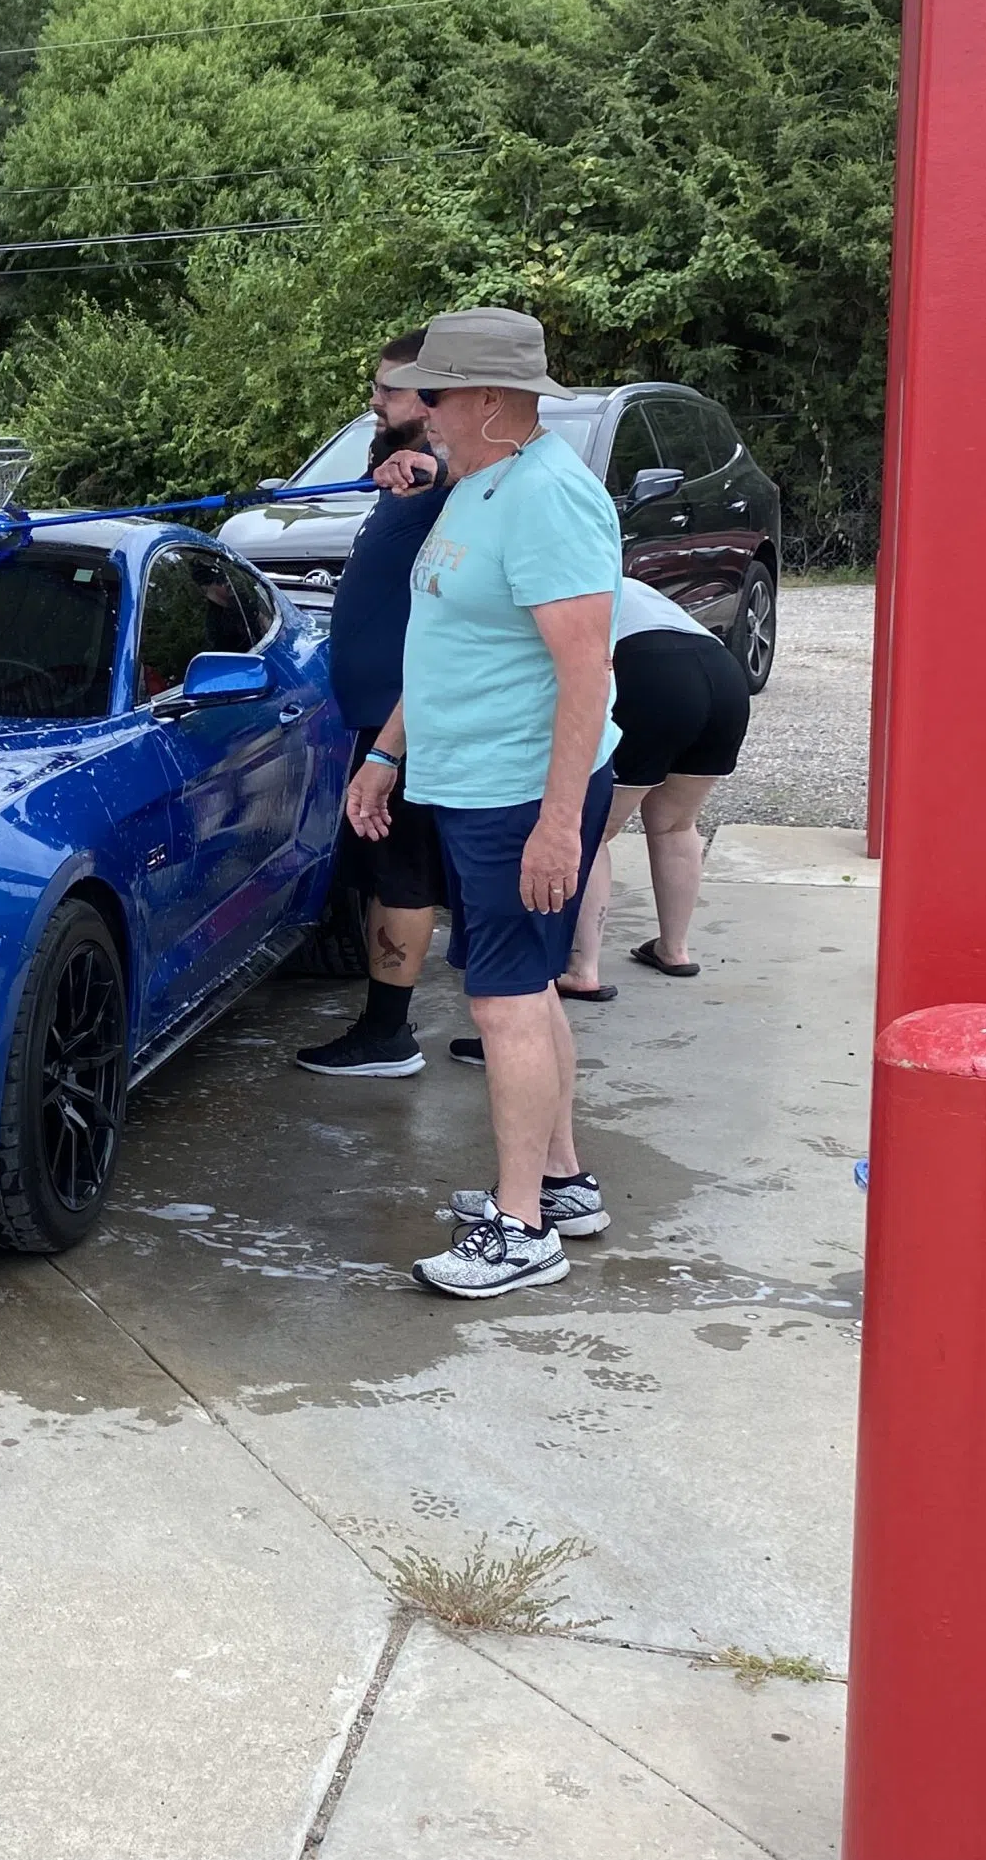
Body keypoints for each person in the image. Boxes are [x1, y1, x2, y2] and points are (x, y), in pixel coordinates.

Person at [345, 308, 620, 1299]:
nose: (418, 410)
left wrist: (555, 823)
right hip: (465, 780)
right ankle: (559, 1184)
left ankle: (518, 1227)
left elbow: (584, 673)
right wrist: (385, 753)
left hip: (517, 790)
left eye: (436, 392)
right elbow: (451, 645)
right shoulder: (474, 482)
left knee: (501, 999)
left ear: (492, 401)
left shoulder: (548, 497)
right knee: (522, 987)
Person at [295, 333, 450, 1079]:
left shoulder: (443, 477)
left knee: (404, 875)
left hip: (407, 722)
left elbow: (463, 473)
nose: (375, 402)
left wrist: (433, 464)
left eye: (388, 391)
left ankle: (387, 1034)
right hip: (383, 718)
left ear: (431, 401)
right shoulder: (405, 484)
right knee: (398, 871)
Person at [554, 576, 752, 994]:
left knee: (594, 830)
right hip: (723, 674)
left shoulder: (566, 586)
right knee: (677, 824)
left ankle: (582, 969)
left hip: (651, 671)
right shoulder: (630, 584)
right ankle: (674, 948)